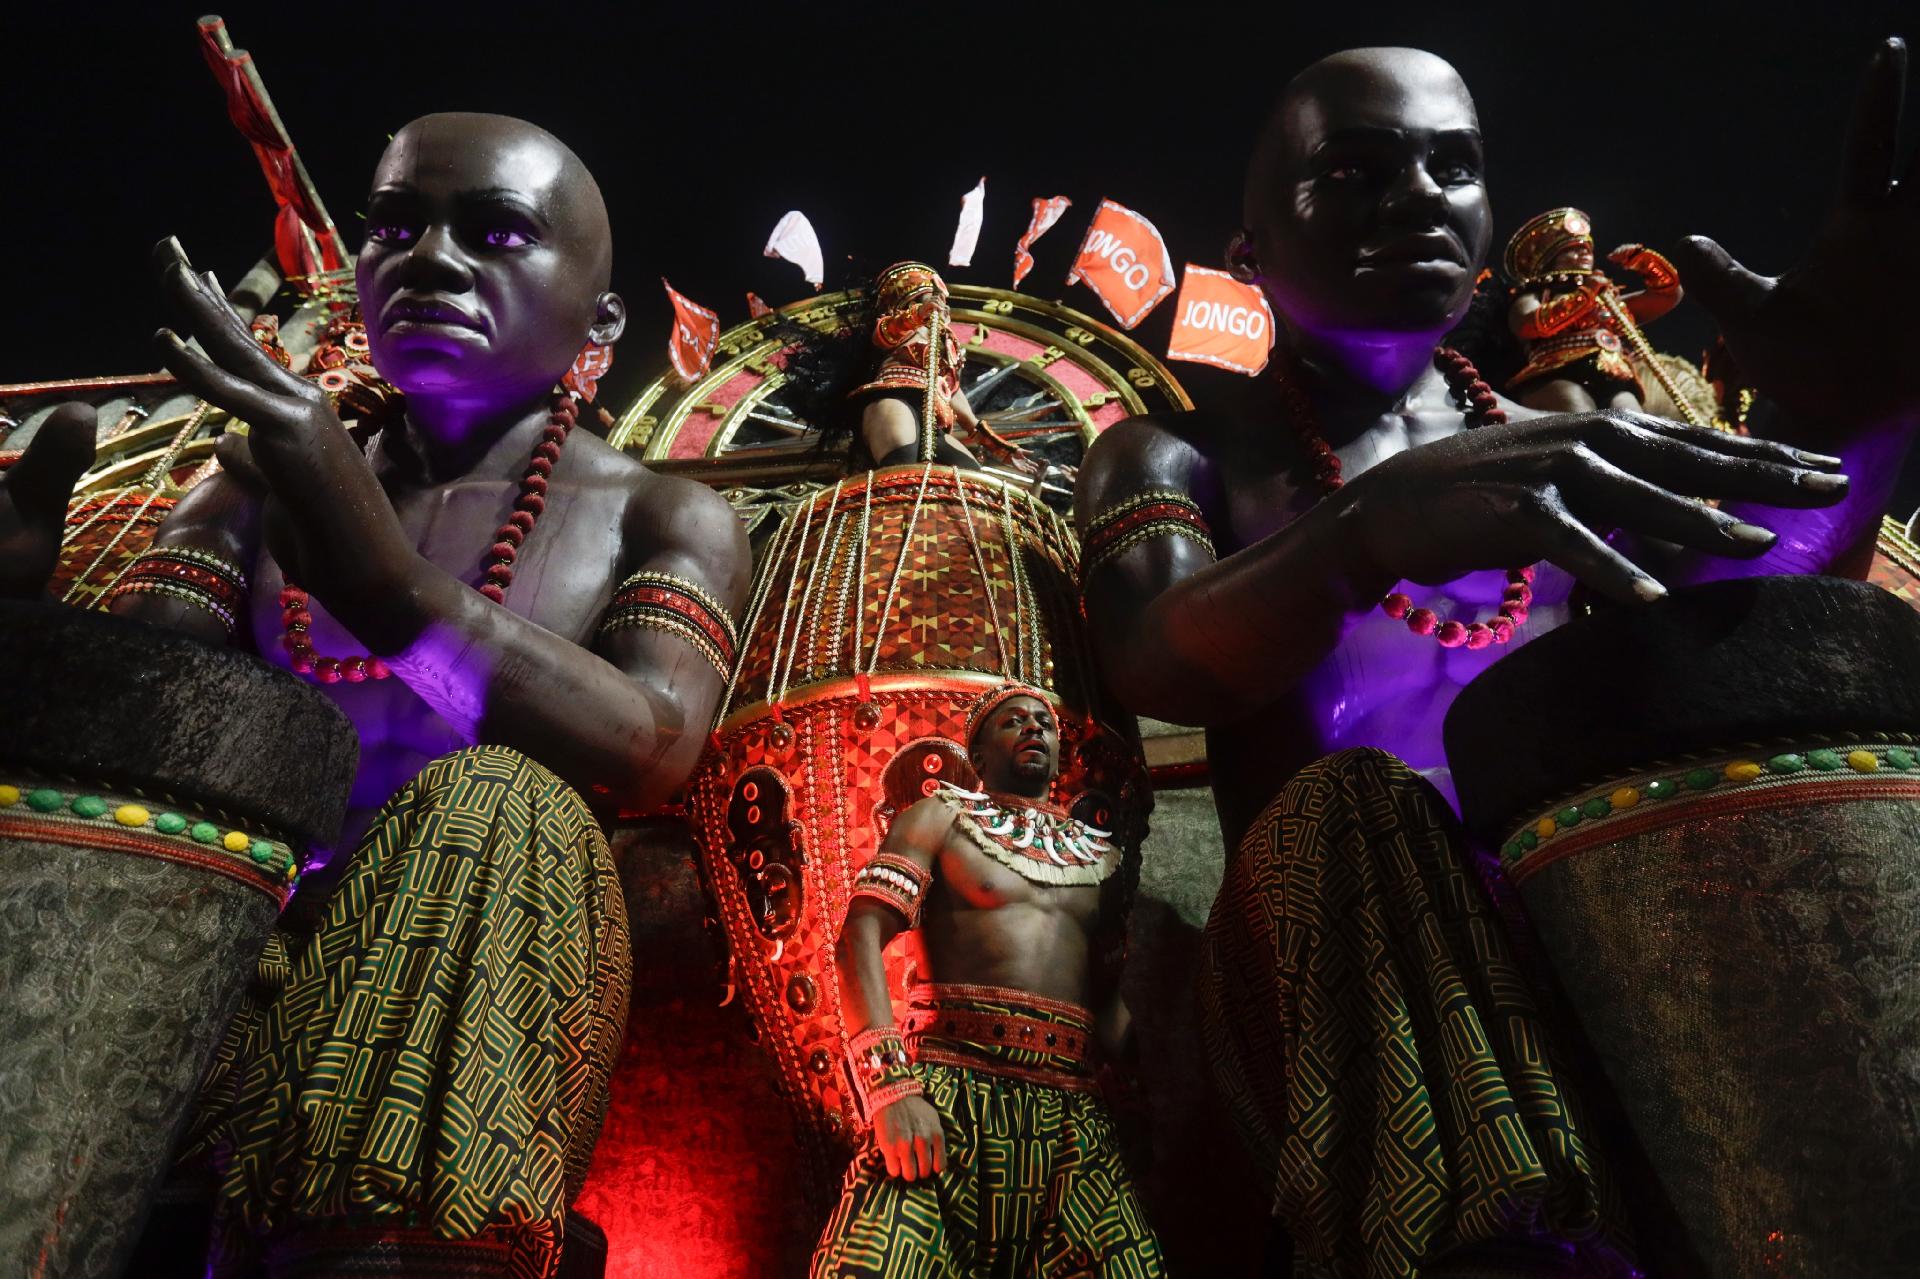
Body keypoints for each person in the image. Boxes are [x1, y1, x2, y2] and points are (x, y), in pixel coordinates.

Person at [1076, 40, 1918, 1278]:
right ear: (1247, 246)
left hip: (1583, 922)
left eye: (1451, 166)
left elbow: (1720, 640)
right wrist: (1370, 529)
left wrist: (1860, 406)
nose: (1416, 196)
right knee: (1355, 813)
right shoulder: (1171, 450)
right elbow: (1161, 660)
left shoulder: (1574, 436)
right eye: (1354, 171)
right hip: (1331, 987)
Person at [109, 113, 751, 1275]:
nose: (430, 258)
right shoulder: (250, 487)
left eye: (496, 231)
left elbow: (651, 748)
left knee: (501, 806)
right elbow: (132, 727)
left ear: (602, 319)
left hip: (477, 996)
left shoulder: (664, 515)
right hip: (239, 971)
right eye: (394, 225)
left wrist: (390, 585)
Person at [811, 683, 1165, 1277]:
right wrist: (890, 1091)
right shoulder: (940, 816)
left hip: (1072, 1119)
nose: (1034, 729)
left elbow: (1104, 998)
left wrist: (1138, 1105)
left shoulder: (1099, 858)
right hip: (950, 1098)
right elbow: (859, 936)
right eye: (1013, 722)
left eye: (1044, 724)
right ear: (976, 754)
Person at [1502, 206, 1683, 413]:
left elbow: (1667, 295)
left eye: (1586, 249)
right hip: (1556, 373)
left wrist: (1642, 261)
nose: (1584, 254)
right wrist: (1585, 295)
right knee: (1580, 417)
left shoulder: (1608, 300)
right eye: (1573, 250)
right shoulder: (1535, 295)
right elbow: (1527, 323)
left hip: (1614, 376)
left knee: (1635, 425)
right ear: (1549, 261)